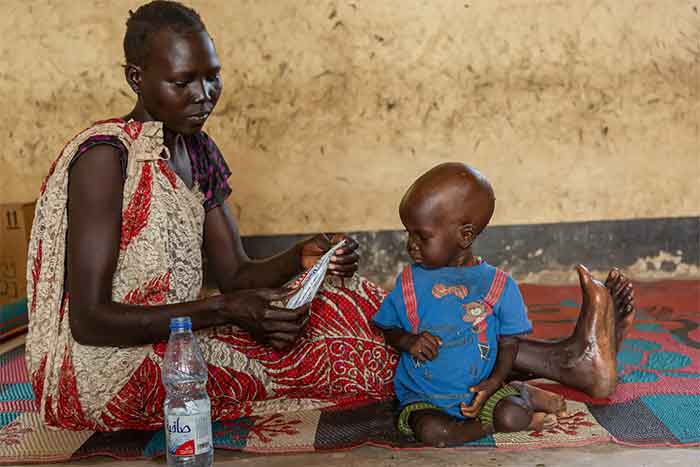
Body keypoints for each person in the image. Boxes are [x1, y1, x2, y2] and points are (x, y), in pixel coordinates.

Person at [26, 0, 635, 433]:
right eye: (184, 82)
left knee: (351, 303)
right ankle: (552, 366)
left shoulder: (198, 153)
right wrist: (225, 312)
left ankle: (564, 361)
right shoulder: (106, 159)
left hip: (177, 339)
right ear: (139, 78)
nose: (204, 96)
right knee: (354, 349)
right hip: (105, 374)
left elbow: (236, 274)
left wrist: (302, 258)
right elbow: (91, 320)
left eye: (212, 78)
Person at [373, 163, 568, 446]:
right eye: (408, 233)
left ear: (465, 235)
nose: (411, 245)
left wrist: (494, 381)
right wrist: (407, 340)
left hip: (481, 389)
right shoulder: (409, 283)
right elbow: (387, 325)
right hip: (424, 396)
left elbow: (510, 342)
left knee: (512, 414)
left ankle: (519, 396)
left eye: (422, 236)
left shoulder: (498, 285)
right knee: (431, 433)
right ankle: (493, 425)